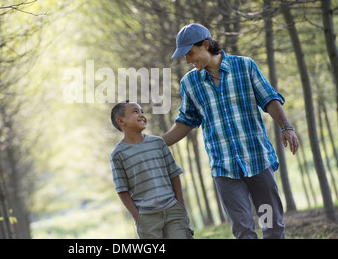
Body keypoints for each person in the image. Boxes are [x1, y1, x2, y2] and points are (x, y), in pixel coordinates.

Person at [163, 23, 300, 239]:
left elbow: (269, 98)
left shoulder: (244, 66)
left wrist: (286, 126)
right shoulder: (189, 83)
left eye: (190, 53)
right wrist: (158, 143)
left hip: (257, 160)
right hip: (224, 168)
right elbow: (186, 121)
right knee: (243, 230)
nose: (188, 61)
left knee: (271, 226)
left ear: (206, 45)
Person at [110, 100, 194, 239]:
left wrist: (180, 205)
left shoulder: (158, 143)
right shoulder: (118, 154)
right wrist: (137, 217)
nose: (142, 115)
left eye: (142, 111)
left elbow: (174, 173)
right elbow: (122, 189)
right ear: (121, 121)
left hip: (173, 210)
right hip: (147, 218)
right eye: (135, 111)